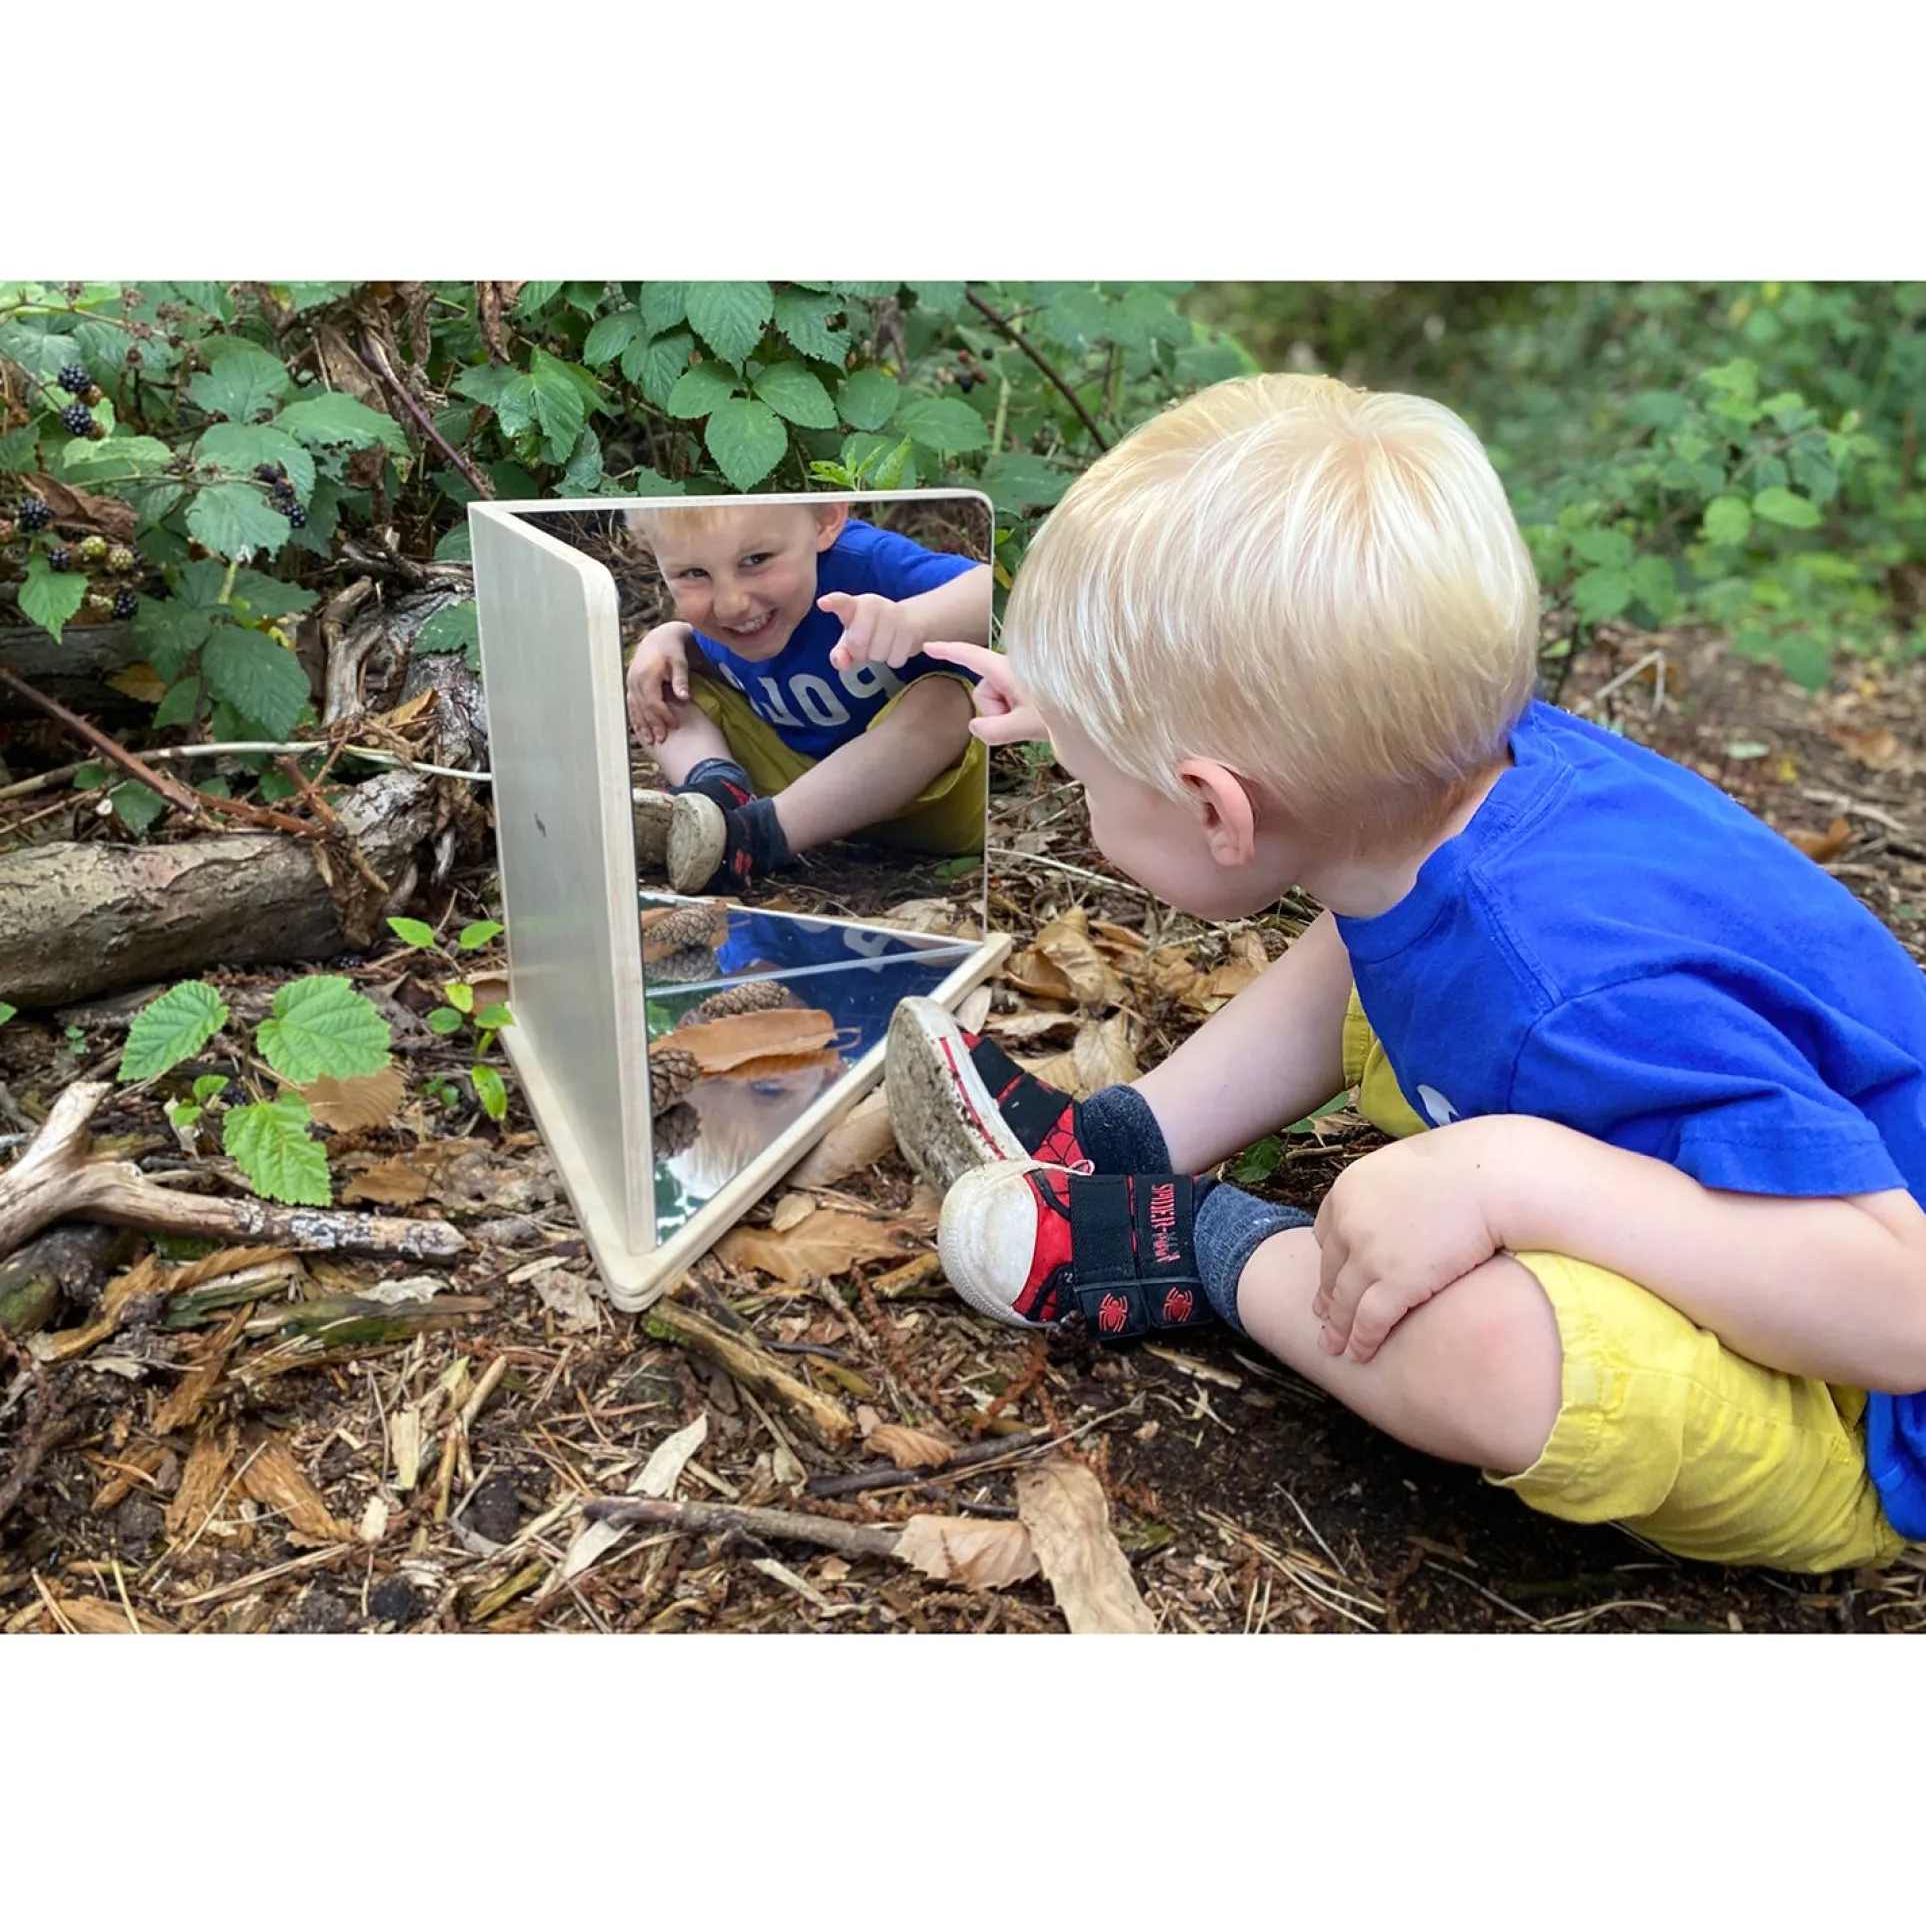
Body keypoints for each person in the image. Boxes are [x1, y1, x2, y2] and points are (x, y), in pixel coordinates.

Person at [887, 371, 1926, 1575]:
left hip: (1863, 1404)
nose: (1075, 789)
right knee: (1381, 915)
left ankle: (1208, 1248)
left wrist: (1509, 1177)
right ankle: (1119, 1141)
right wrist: (1082, 711)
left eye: (1080, 778)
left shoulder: (1580, 985)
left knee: (1493, 1355)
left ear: (1215, 808)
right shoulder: (1471, 784)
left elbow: (1902, 1310)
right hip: (1712, 1187)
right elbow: (1375, 892)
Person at [622, 500, 992, 894]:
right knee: (660, 678)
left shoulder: (863, 563)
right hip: (794, 794)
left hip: (931, 800)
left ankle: (751, 841)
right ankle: (717, 797)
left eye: (756, 559)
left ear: (825, 522)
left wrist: (915, 620)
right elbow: (699, 658)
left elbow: (993, 592)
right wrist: (669, 638)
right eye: (694, 573)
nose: (730, 604)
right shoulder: (726, 623)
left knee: (946, 700)